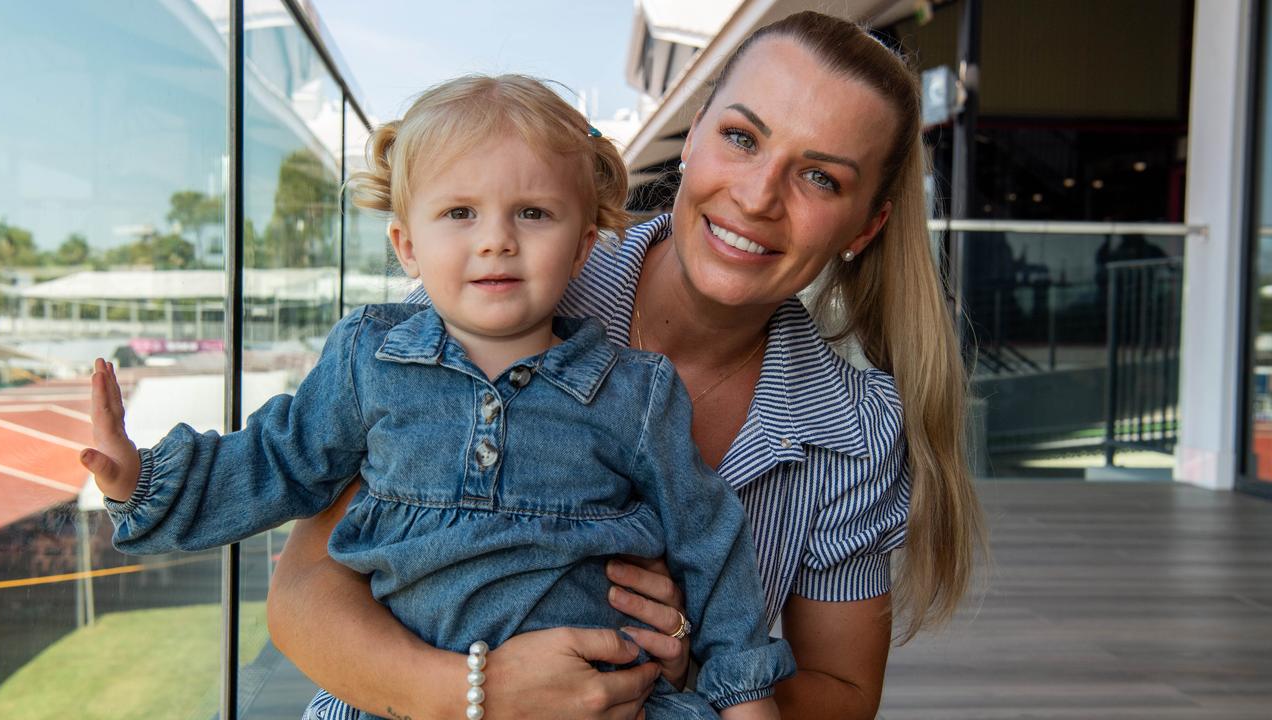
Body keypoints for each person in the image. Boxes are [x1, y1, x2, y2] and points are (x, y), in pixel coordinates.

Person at [269, 11, 985, 720]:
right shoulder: (517, 281)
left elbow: (846, 696)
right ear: (695, 133)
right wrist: (476, 696)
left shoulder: (855, 431)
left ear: (865, 225)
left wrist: (693, 662)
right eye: (741, 137)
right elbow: (302, 596)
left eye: (821, 178)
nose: (759, 197)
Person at [81, 74, 796, 720]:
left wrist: (743, 696)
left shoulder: (635, 393)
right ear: (406, 245)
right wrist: (142, 479)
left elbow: (711, 540)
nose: (496, 241)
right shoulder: (370, 357)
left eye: (533, 214)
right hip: (399, 705)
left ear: (582, 247)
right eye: (460, 212)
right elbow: (279, 459)